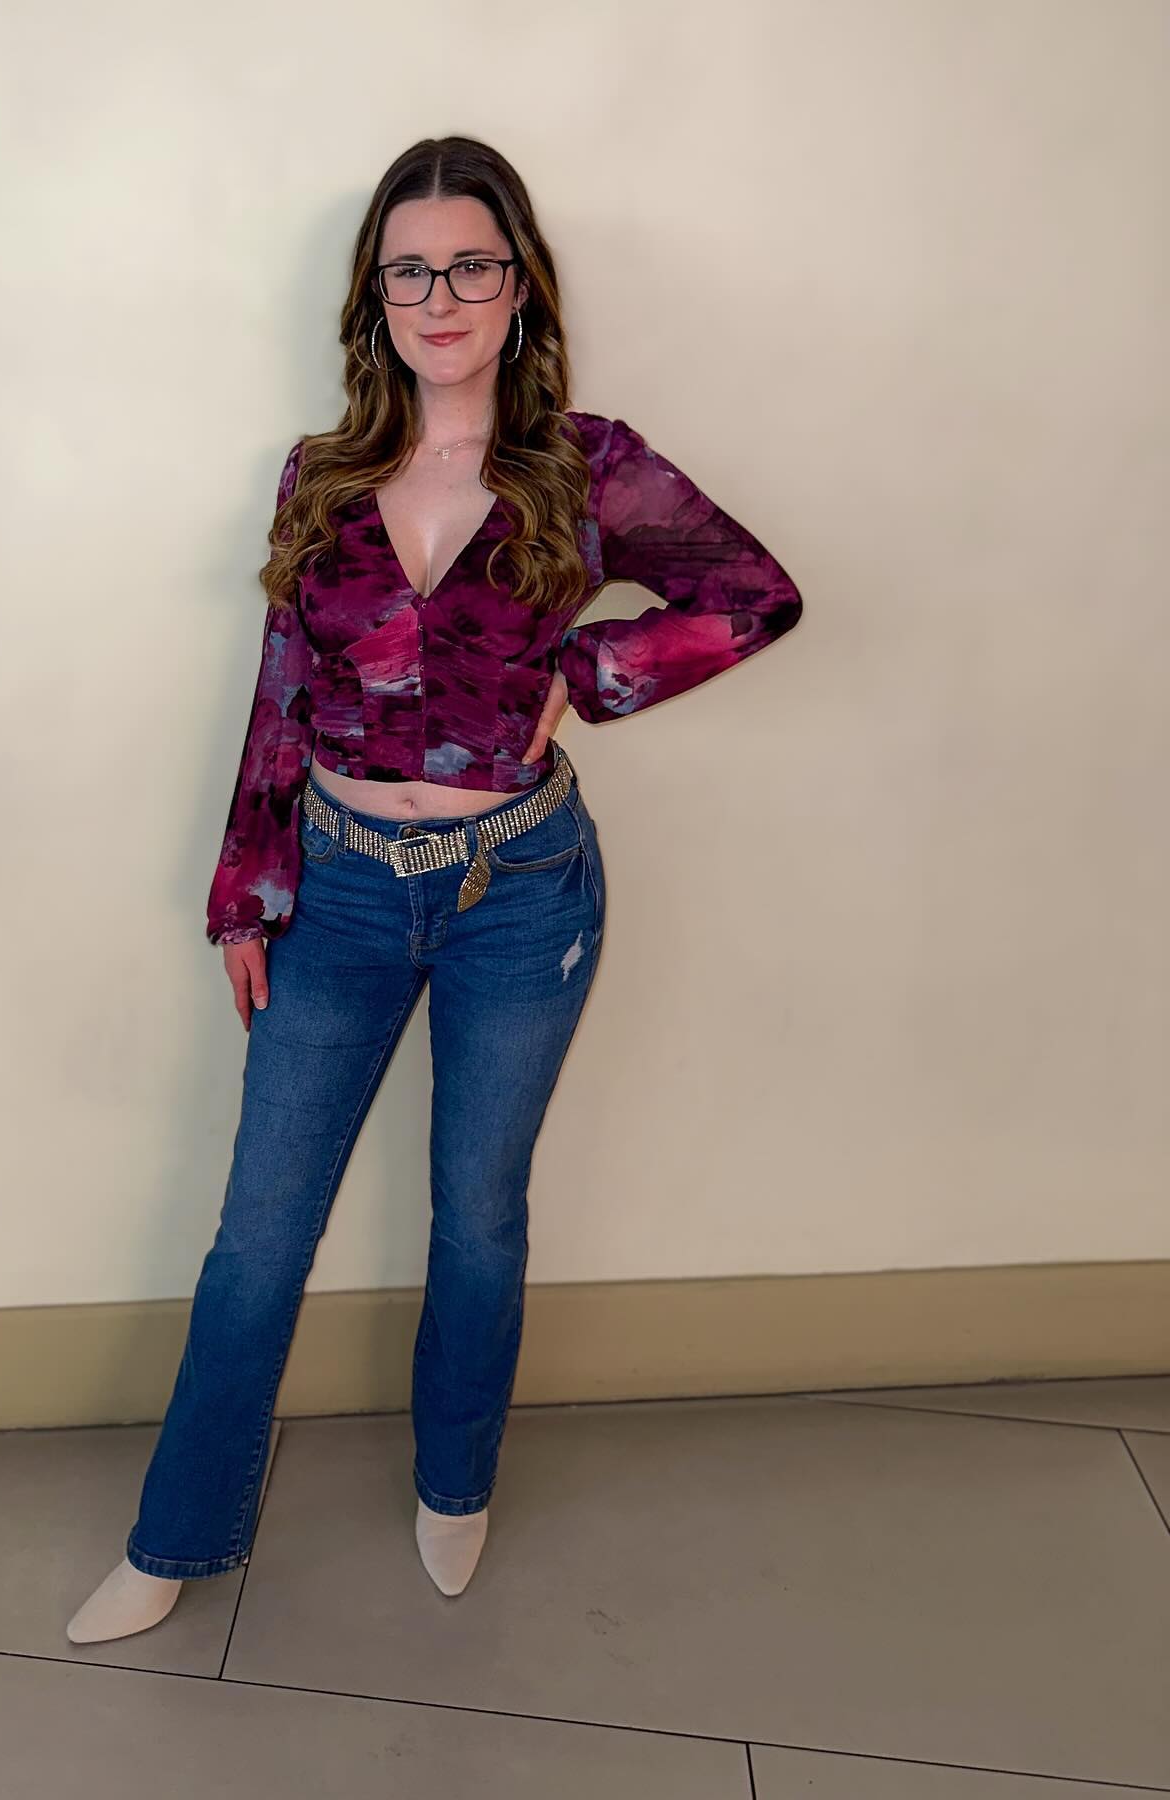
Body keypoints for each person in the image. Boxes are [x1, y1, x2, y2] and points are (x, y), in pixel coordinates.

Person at [66, 133, 802, 1643]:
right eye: (410, 272)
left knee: (476, 1214)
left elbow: (756, 594)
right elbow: (282, 685)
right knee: (260, 1231)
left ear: (520, 285)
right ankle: (174, 1539)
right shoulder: (322, 475)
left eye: (471, 264)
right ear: (376, 299)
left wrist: (593, 670)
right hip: (337, 892)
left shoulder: (589, 465)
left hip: (518, 890)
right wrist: (246, 890)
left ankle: (455, 1487)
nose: (441, 297)